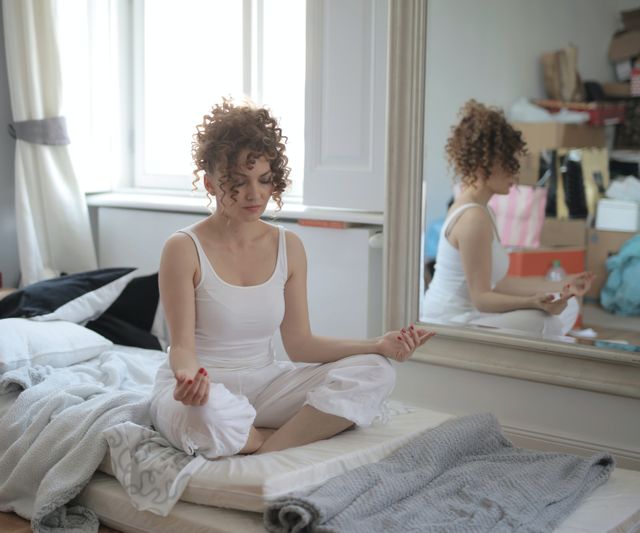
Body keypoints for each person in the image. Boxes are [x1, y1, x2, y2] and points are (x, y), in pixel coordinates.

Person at [148, 98, 435, 458]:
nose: (255, 194)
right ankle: (265, 434)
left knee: (377, 372)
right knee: (206, 417)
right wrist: (188, 381)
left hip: (266, 383)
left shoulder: (289, 246)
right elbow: (183, 347)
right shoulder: (183, 247)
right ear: (209, 183)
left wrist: (377, 344)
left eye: (265, 180)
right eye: (238, 182)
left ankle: (265, 447)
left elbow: (300, 344)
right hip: (205, 389)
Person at [421, 100, 594, 338]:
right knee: (545, 322)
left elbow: (501, 284)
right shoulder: (473, 218)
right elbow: (482, 299)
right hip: (450, 322)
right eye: (509, 164)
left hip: (470, 315)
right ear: (484, 165)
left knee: (568, 306)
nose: (516, 172)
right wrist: (533, 303)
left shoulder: (483, 210)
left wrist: (564, 284)